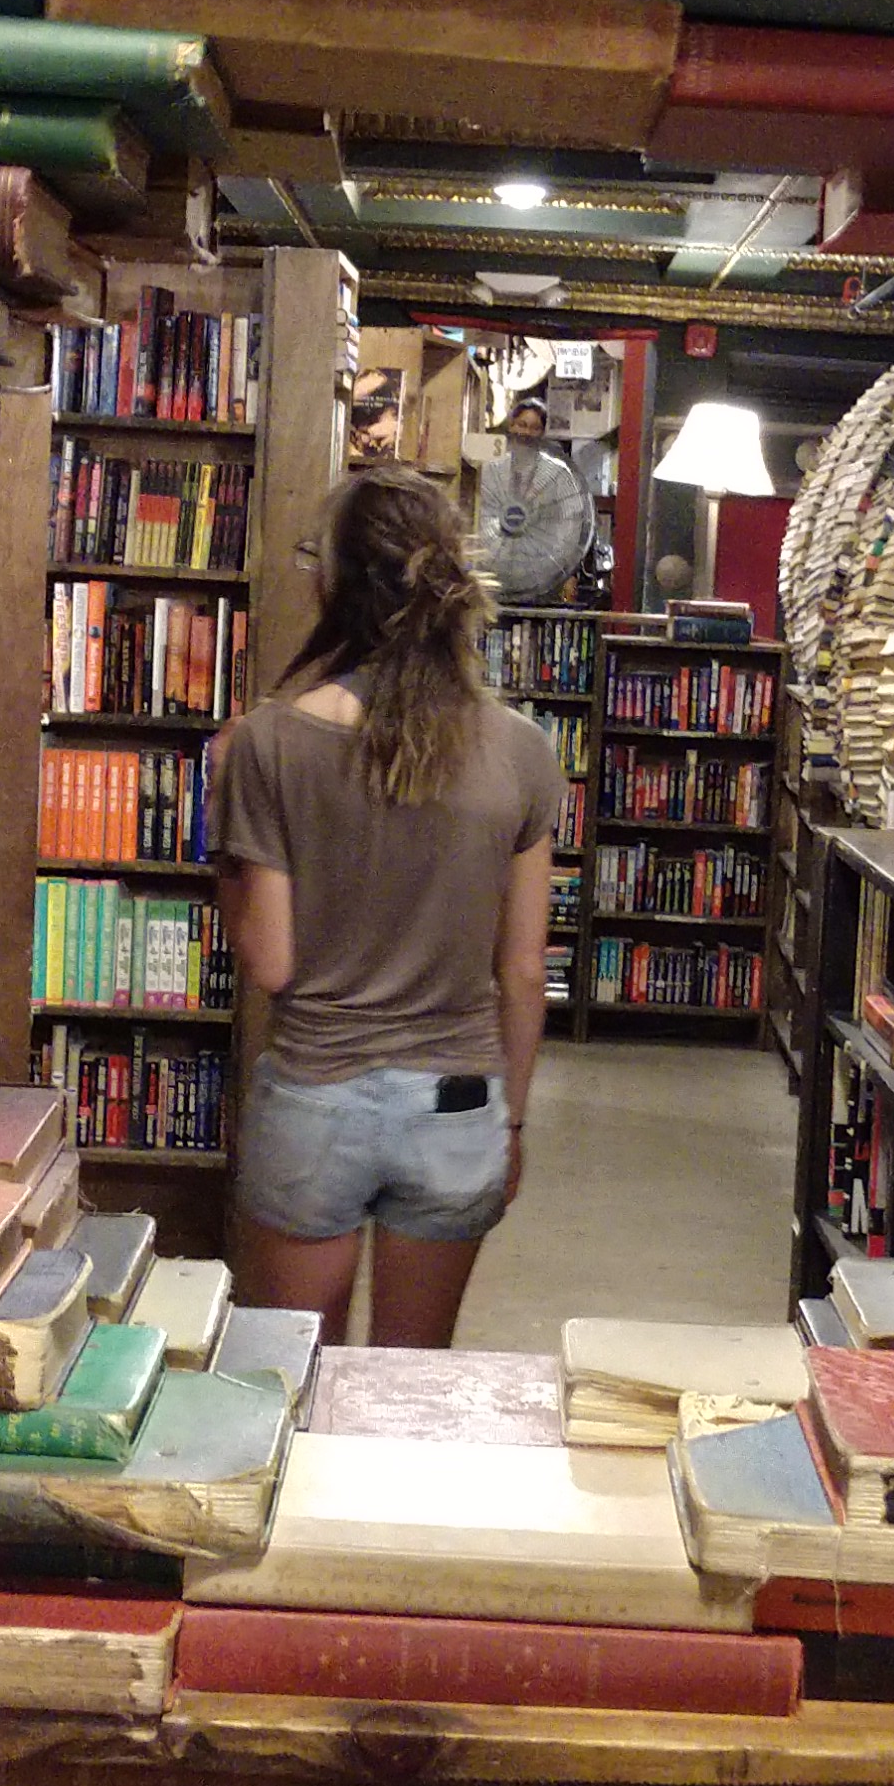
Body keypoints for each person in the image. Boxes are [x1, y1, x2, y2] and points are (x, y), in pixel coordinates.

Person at [213, 464, 559, 1345]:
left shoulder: (266, 743)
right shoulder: (524, 750)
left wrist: (223, 846)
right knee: (408, 1386)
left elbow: (271, 963)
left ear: (333, 584)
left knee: (294, 1379)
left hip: (316, 1099)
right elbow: (523, 972)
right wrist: (513, 1120)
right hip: (460, 1106)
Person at [474, 391, 592, 601]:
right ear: (511, 426)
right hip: (491, 567)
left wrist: (564, 569)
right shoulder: (490, 466)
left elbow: (570, 522)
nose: (526, 432)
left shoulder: (557, 475)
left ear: (543, 433)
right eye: (522, 424)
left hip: (539, 570)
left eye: (535, 428)